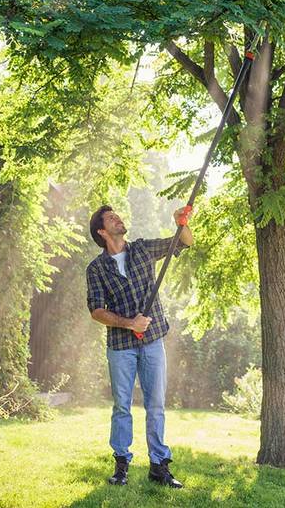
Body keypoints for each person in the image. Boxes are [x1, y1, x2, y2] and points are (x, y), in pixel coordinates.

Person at [86, 204, 193, 488]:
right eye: (111, 218)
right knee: (122, 406)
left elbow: (183, 242)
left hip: (153, 340)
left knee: (155, 405)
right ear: (101, 231)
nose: (118, 219)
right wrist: (129, 323)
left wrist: (180, 222)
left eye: (117, 216)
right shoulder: (96, 268)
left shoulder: (142, 249)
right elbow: (97, 311)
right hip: (121, 345)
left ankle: (159, 466)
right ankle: (121, 466)